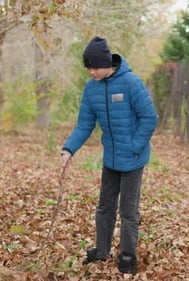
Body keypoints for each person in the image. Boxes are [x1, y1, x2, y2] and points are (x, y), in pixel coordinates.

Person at [60, 36, 158, 274]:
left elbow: (150, 118)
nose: (91, 72)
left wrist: (134, 147)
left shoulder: (131, 83)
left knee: (128, 210)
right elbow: (85, 124)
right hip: (111, 159)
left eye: (94, 67)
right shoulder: (91, 88)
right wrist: (68, 148)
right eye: (88, 67)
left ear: (107, 63)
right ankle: (102, 251)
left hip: (134, 159)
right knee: (105, 206)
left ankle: (127, 255)